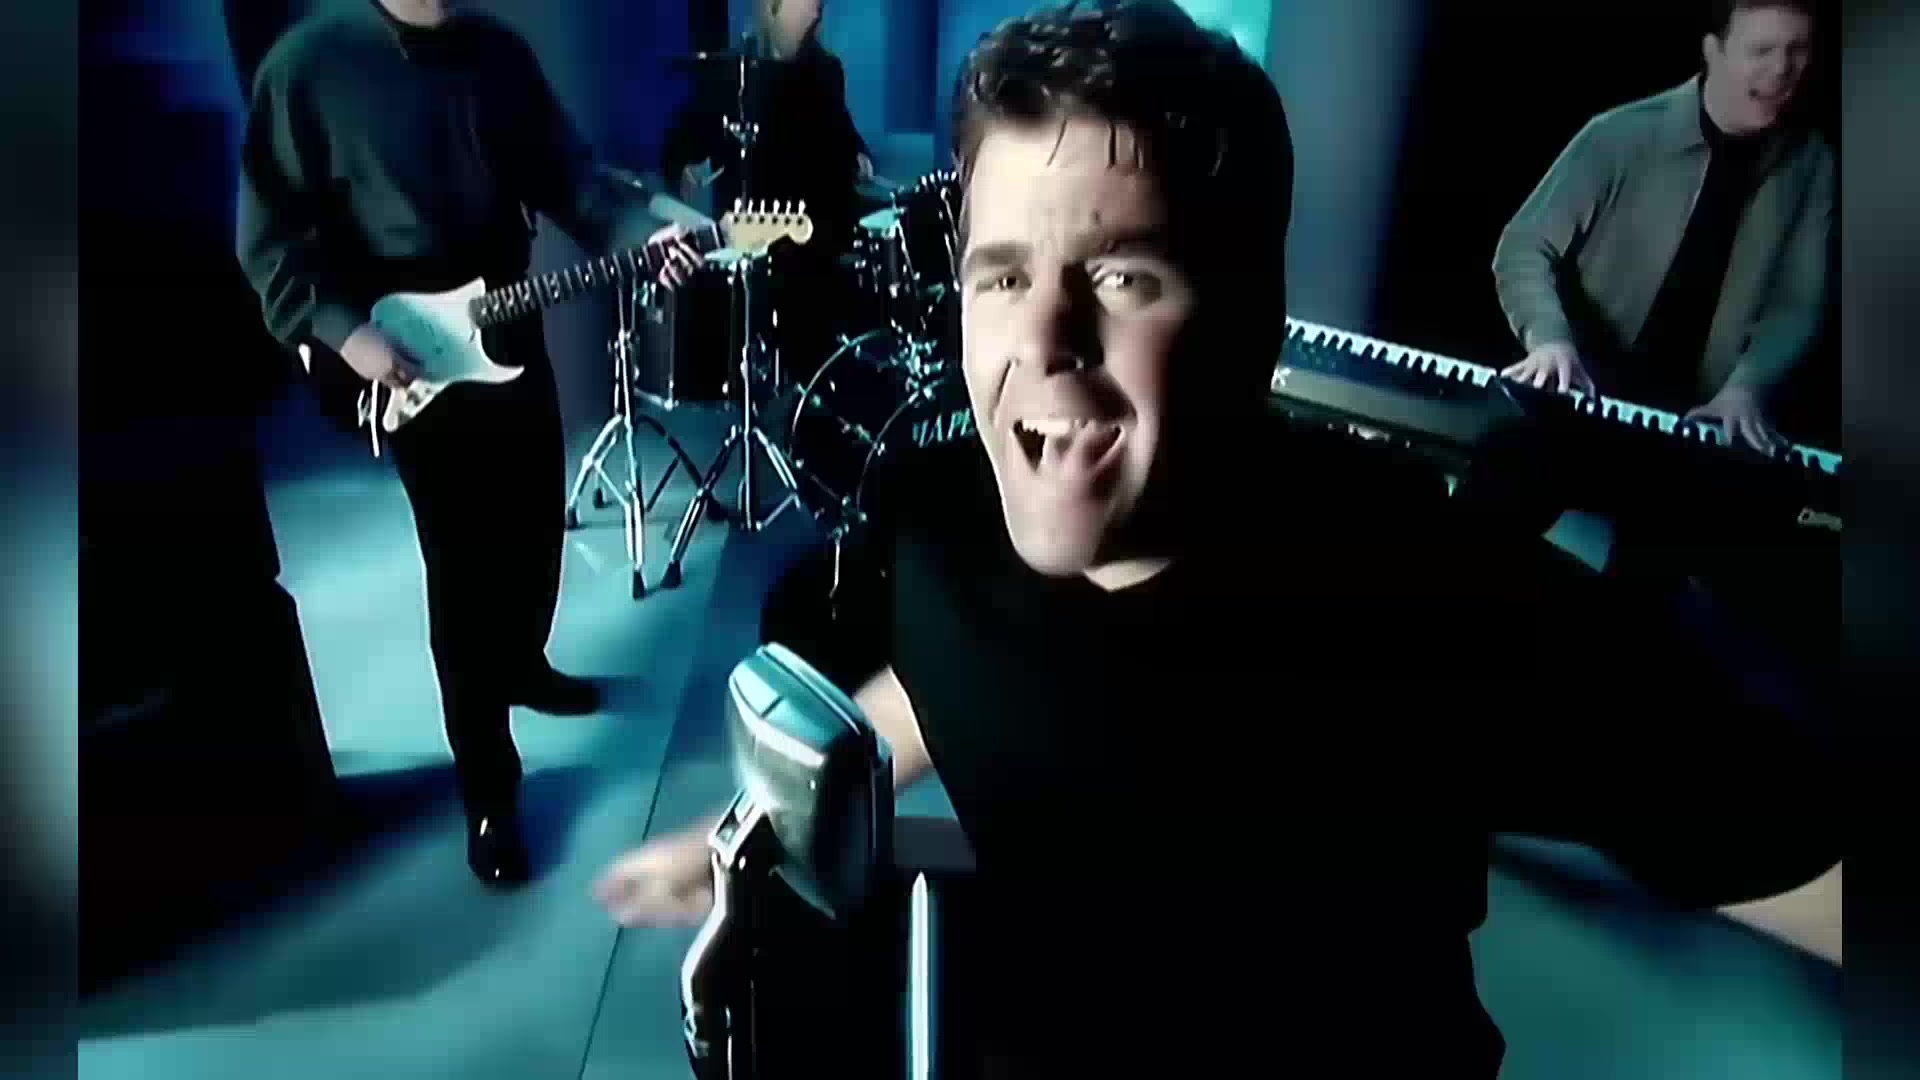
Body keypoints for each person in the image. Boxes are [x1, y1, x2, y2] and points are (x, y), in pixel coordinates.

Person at [600, 2, 1838, 1073]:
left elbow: (1802, 863)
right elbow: (945, 675)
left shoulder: (1437, 597)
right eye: (1003, 276)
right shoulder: (937, 524)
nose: (1043, 342)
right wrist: (739, 837)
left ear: (1252, 321)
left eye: (1122, 277)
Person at [236, 0, 701, 887]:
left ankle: (524, 664)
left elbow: (574, 180)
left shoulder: (496, 53)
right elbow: (268, 243)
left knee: (534, 525)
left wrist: (643, 235)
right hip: (404, 350)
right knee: (462, 573)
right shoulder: (306, 66)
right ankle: (489, 789)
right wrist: (344, 333)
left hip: (508, 319)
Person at [1493, 0, 1833, 454]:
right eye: (1762, 50)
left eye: (1798, 49)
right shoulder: (1617, 135)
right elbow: (1524, 247)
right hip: (1576, 400)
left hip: (1705, 427)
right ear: (1713, 52)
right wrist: (1549, 339)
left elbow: (1797, 303)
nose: (1781, 70)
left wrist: (1747, 387)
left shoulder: (1813, 164)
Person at [657, 0, 875, 388]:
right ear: (774, 7)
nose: (819, 11)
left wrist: (859, 153)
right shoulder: (732, 75)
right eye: (809, 3)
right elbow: (682, 141)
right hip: (757, 240)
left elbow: (843, 133)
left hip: (822, 232)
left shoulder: (825, 70)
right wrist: (683, 168)